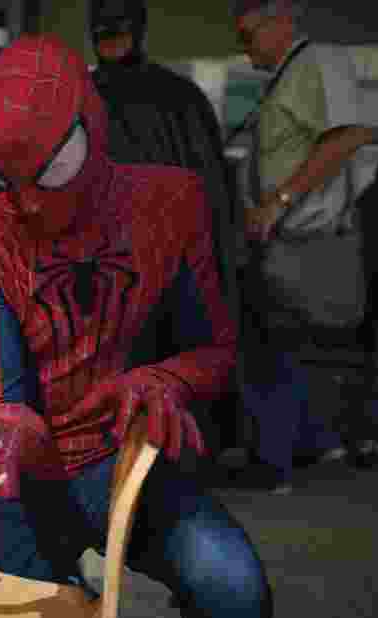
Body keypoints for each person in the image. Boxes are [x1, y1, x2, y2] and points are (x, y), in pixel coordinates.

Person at [0, 36, 272, 618]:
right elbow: (7, 403)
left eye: (53, 167)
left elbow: (217, 351)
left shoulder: (172, 203)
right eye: (13, 178)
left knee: (235, 588)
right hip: (24, 484)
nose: (34, 201)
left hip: (127, 458)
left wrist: (162, 377)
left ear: (93, 122)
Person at [230, 0, 378, 491]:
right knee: (283, 344)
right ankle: (311, 443)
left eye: (247, 36)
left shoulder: (319, 61)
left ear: (279, 23)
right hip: (285, 235)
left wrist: (277, 201)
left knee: (271, 344)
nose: (245, 49)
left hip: (304, 236)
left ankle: (274, 463)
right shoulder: (290, 73)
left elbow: (345, 139)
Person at [88, 0, 245, 471]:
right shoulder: (89, 94)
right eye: (105, 32)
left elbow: (211, 187)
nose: (112, 41)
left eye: (117, 31)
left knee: (165, 362)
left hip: (156, 257)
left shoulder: (173, 97)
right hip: (119, 259)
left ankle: (169, 458)